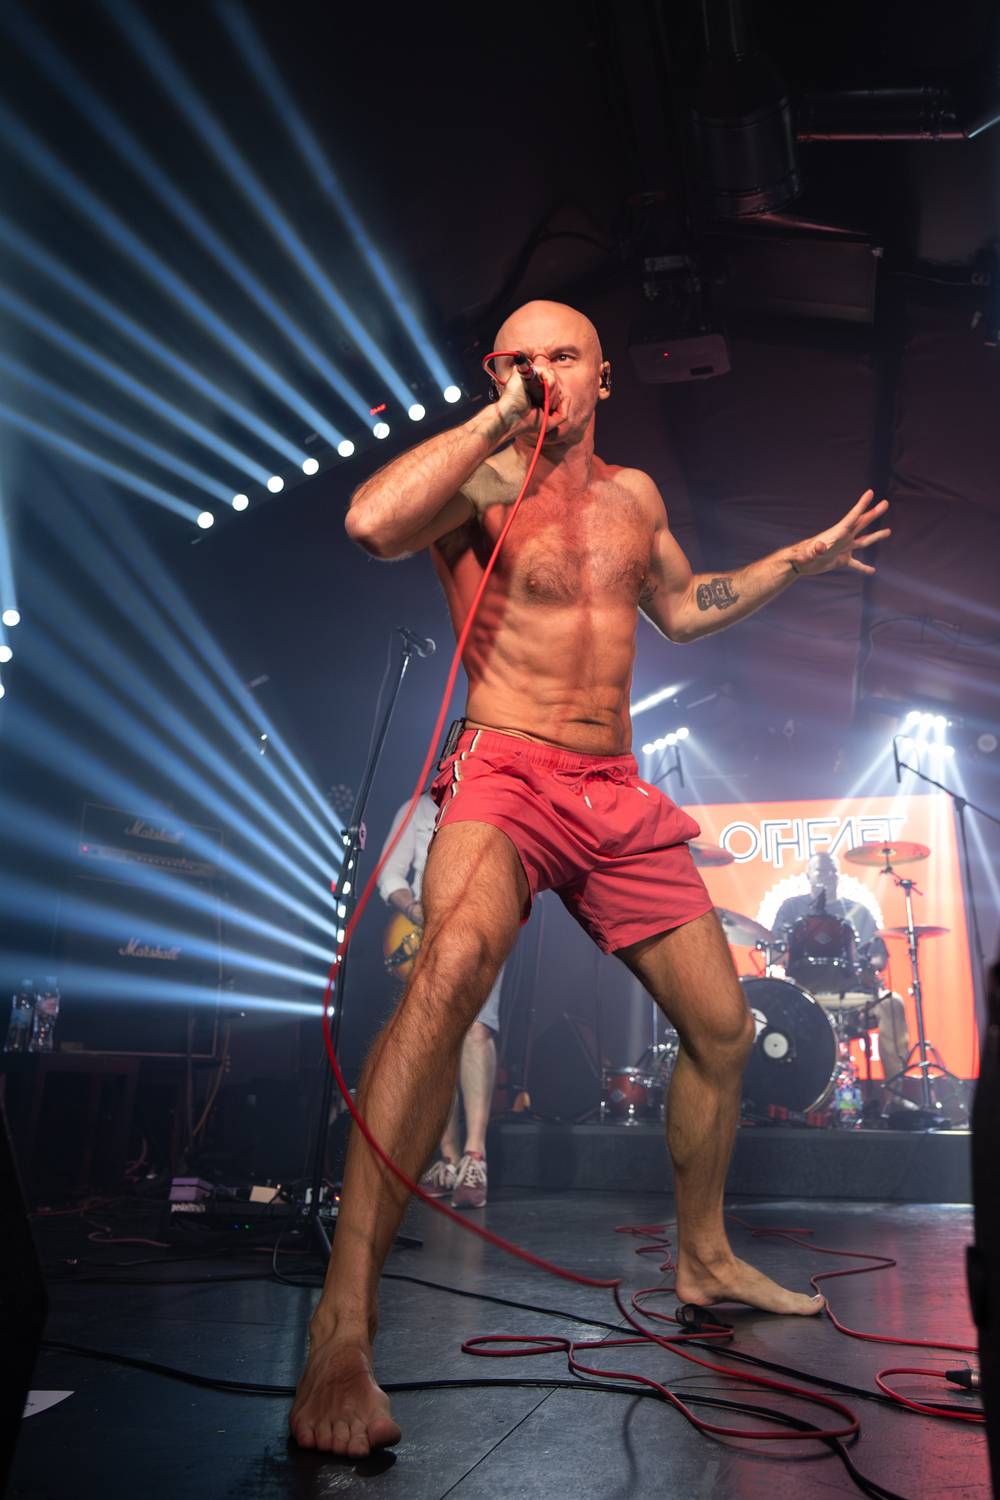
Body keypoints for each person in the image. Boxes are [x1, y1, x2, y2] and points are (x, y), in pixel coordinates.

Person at [291, 299, 890, 1455]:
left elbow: (683, 607)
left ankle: (704, 1258)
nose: (540, 375)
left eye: (560, 357)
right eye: (516, 360)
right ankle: (342, 1327)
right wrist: (495, 420)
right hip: (503, 771)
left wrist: (795, 562)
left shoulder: (634, 497)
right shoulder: (474, 479)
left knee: (722, 1029)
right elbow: (370, 524)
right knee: (446, 976)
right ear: (495, 374)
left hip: (613, 787)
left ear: (603, 376)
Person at [377, 792, 504, 1207]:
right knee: (435, 1043)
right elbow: (390, 875)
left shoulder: (496, 799)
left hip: (484, 923)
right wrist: (414, 909)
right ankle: (448, 1158)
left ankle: (475, 1156)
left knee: (477, 1030)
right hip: (428, 931)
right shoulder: (417, 808)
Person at [773, 852, 910, 1087]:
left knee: (893, 1002)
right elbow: (775, 949)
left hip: (851, 995)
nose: (827, 875)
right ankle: (787, 1091)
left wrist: (869, 966)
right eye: (820, 870)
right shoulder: (791, 908)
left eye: (832, 871)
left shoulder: (858, 911)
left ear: (839, 876)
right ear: (808, 875)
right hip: (804, 995)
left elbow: (878, 955)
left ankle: (897, 1093)